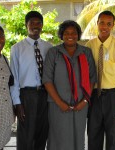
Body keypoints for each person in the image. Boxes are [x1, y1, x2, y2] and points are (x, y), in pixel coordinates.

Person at [42, 20, 97, 150]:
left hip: (81, 104)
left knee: (78, 137)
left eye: (73, 32)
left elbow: (92, 79)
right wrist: (60, 102)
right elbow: (47, 80)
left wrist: (84, 101)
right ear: (61, 35)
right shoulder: (53, 53)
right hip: (57, 105)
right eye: (66, 33)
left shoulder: (86, 52)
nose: (70, 35)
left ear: (78, 35)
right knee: (58, 137)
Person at [86, 10, 115, 150]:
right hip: (94, 96)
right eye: (102, 23)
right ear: (97, 23)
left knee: (112, 137)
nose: (104, 27)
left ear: (112, 26)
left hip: (113, 97)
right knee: (93, 135)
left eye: (108, 24)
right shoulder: (89, 46)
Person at [10, 11, 52, 150]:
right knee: (26, 135)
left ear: (42, 26)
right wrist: (18, 103)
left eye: (38, 23)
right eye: (32, 23)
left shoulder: (49, 47)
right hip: (26, 95)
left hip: (45, 94)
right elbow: (14, 77)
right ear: (26, 25)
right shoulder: (17, 48)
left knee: (42, 132)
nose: (35, 26)